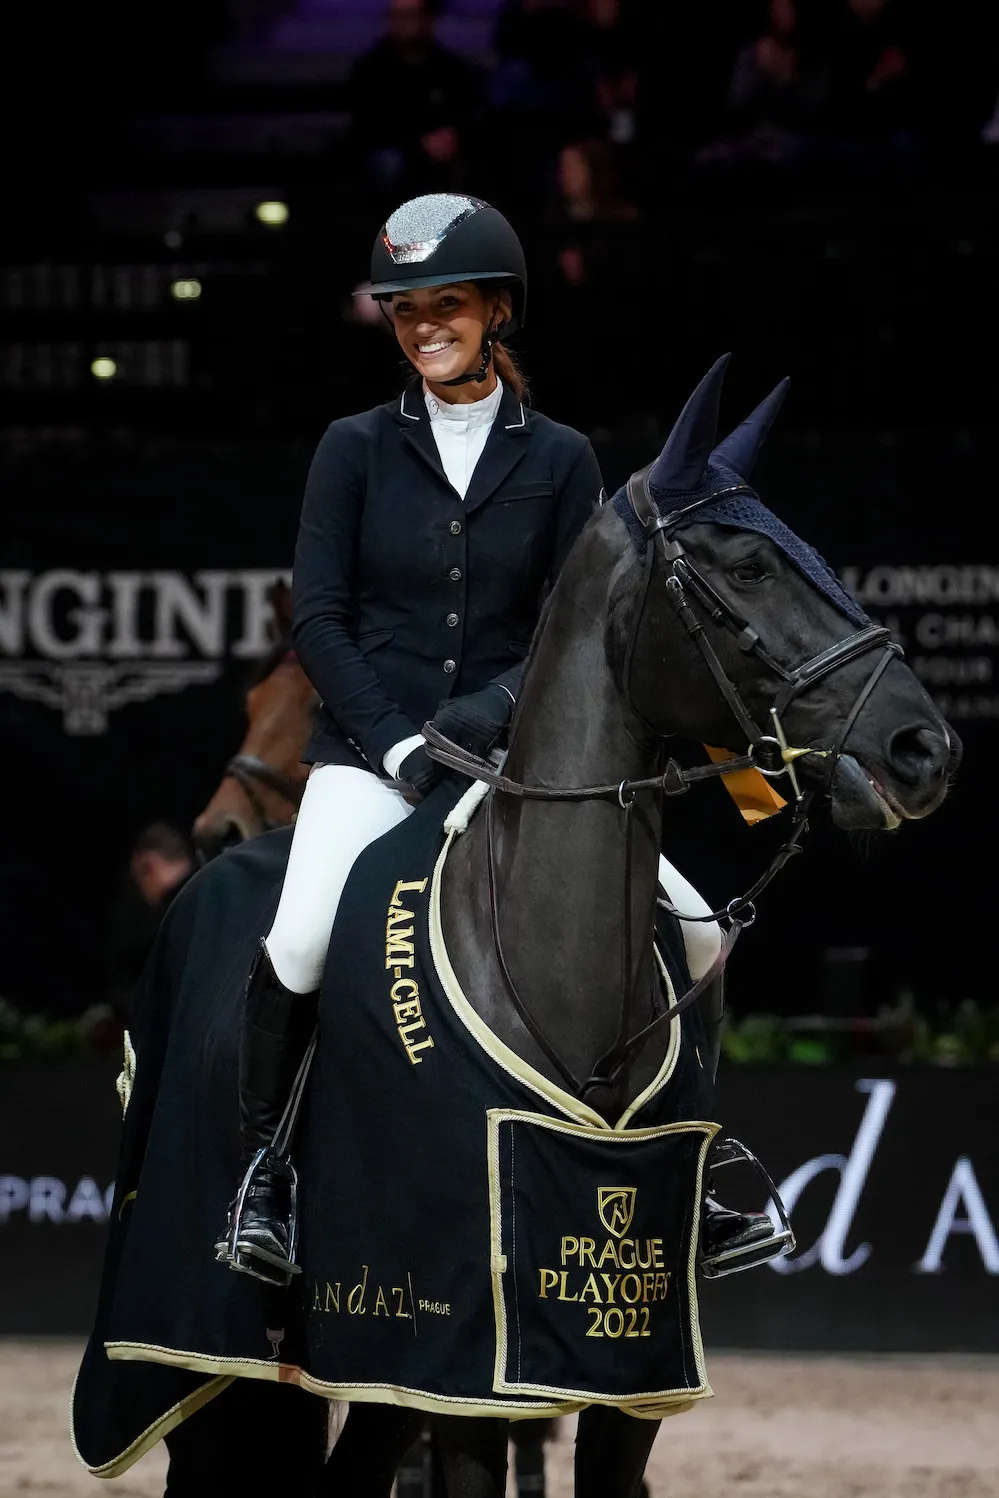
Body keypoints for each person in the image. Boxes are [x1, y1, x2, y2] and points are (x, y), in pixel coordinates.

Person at [218, 192, 604, 1282]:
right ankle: (266, 1180)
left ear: (495, 311)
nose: (425, 324)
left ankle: (702, 1173)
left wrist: (476, 726)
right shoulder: (353, 448)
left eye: (447, 303)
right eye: (406, 311)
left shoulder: (564, 457)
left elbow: (571, 628)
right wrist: (393, 744)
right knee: (296, 941)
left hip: (516, 754)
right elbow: (321, 620)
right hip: (367, 757)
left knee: (693, 925)